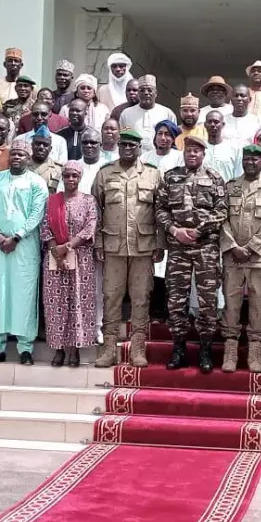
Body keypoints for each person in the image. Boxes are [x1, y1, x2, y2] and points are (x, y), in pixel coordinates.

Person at [92, 129, 164, 367]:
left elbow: (160, 212)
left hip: (143, 247)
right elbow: (96, 212)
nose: (127, 149)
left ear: (139, 148)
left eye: (132, 146)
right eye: (123, 145)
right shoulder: (105, 174)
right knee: (111, 296)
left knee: (141, 298)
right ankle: (109, 348)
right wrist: (98, 243)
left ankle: (137, 348)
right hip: (113, 246)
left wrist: (160, 244)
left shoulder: (152, 174)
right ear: (118, 146)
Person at [157, 135, 228, 374]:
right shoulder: (170, 177)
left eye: (197, 151)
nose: (192, 154)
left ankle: (205, 349)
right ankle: (179, 349)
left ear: (203, 154)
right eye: (189, 150)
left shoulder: (215, 178)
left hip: (206, 247)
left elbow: (221, 210)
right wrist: (175, 230)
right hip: (178, 248)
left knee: (208, 301)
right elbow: (160, 209)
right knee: (176, 300)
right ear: (184, 152)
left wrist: (199, 231)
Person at [0, 139, 48, 365]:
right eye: (14, 154)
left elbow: (37, 214)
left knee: (24, 295)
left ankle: (25, 347)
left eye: (21, 154)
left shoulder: (37, 183)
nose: (17, 157)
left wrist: (17, 236)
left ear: (28, 158)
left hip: (25, 247)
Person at [220, 144, 261, 373]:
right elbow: (222, 218)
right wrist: (234, 247)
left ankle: (255, 352)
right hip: (233, 257)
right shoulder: (231, 186)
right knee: (231, 302)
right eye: (247, 159)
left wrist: (252, 247)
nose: (250, 163)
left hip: (259, 258)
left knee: (259, 304)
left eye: (255, 159)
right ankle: (230, 350)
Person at [40, 161, 98, 368]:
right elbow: (45, 227)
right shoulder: (51, 201)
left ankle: (74, 350)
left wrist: (67, 247)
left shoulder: (89, 201)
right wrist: (57, 250)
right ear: (62, 178)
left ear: (80, 178)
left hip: (80, 258)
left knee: (77, 303)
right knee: (56, 304)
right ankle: (59, 349)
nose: (71, 179)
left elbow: (90, 227)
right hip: (55, 258)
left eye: (74, 175)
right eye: (67, 176)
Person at [119, 74, 176, 151]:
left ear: (156, 93)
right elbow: (122, 139)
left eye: (150, 90)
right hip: (134, 159)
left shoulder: (167, 113)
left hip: (160, 158)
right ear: (138, 93)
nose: (146, 93)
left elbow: (173, 140)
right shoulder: (126, 114)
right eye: (142, 90)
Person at [202, 110, 242, 181]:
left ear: (223, 125)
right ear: (205, 125)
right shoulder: (200, 148)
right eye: (209, 122)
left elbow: (239, 175)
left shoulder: (234, 148)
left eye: (216, 122)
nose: (212, 125)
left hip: (227, 190)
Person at [25, 127, 63, 192]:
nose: (41, 147)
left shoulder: (58, 169)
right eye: (38, 143)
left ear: (50, 148)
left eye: (45, 145)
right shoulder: (22, 165)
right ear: (32, 145)